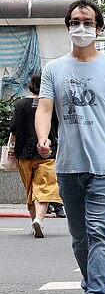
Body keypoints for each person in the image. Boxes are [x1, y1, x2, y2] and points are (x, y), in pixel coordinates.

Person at [35, 0, 105, 294]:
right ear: (68, 26)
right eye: (76, 21)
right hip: (67, 165)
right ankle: (90, 286)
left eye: (88, 22)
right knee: (79, 236)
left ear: (99, 27)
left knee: (97, 231)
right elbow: (45, 108)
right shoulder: (54, 69)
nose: (81, 27)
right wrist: (43, 136)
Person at [9, 73, 63, 237]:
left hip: (23, 152)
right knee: (45, 187)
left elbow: (13, 127)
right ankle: (38, 219)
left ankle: (35, 221)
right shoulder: (51, 104)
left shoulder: (20, 104)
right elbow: (59, 127)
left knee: (31, 190)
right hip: (47, 152)